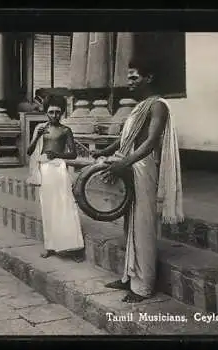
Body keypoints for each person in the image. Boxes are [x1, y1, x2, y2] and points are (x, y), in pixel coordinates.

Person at [90, 59, 184, 303]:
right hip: (131, 164)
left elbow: (150, 141)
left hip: (143, 167)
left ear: (149, 77)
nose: (129, 82)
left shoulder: (158, 106)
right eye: (129, 77)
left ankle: (143, 286)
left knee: (143, 225)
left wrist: (125, 162)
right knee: (129, 223)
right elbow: (124, 139)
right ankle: (129, 276)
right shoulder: (140, 106)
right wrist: (103, 152)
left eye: (134, 77)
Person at [26, 94, 85, 261]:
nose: (54, 115)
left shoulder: (66, 130)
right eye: (51, 112)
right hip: (45, 170)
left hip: (59, 169)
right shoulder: (41, 129)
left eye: (58, 112)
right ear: (46, 112)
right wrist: (37, 135)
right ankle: (51, 246)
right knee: (48, 209)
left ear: (62, 113)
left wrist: (57, 154)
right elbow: (29, 151)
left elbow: (73, 154)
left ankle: (74, 247)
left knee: (65, 206)